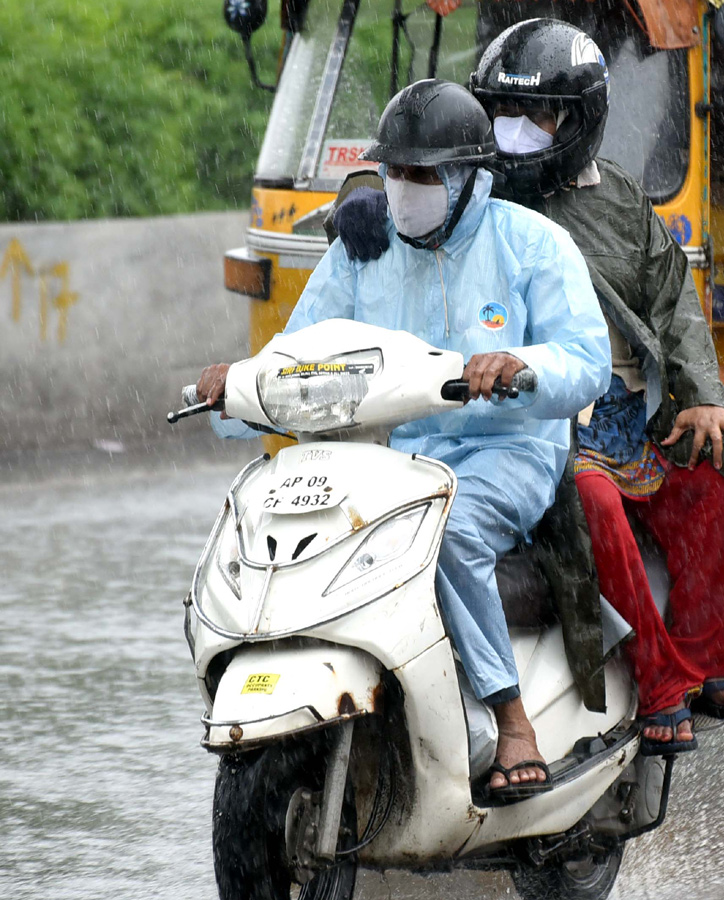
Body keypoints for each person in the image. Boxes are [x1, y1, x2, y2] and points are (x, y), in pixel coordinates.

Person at [334, 20, 724, 755]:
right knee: (592, 502)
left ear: (577, 120)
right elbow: (403, 183)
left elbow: (672, 298)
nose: (513, 133)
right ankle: (659, 682)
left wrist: (703, 393)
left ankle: (706, 663)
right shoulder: (470, 191)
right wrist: (354, 205)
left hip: (629, 413)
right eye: (501, 115)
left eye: (535, 117)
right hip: (530, 417)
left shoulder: (620, 201)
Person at [196, 79, 611, 799]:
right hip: (386, 460)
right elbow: (301, 353)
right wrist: (237, 383)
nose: (403, 189)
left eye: (423, 176)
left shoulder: (534, 244)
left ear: (469, 175)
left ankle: (512, 720)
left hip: (505, 452)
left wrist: (521, 365)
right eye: (394, 172)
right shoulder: (363, 246)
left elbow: (587, 361)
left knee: (447, 535)